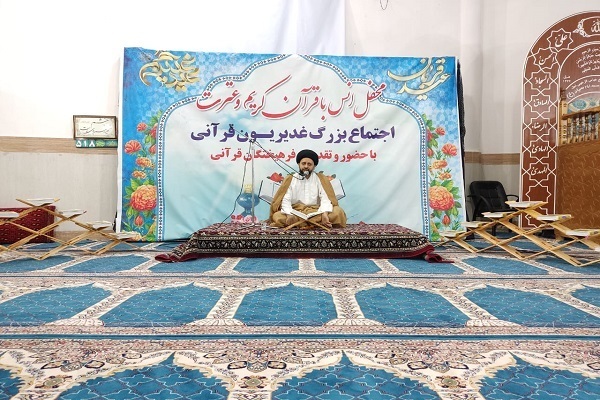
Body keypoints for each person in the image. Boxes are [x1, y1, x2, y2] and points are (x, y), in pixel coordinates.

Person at [269, 149, 347, 229]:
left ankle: (301, 224)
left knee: (338, 211)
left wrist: (325, 213)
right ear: (299, 164)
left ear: (314, 166)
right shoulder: (290, 179)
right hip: (296, 212)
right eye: (303, 163)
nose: (306, 166)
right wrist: (289, 214)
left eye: (309, 164)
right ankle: (315, 224)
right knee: (277, 216)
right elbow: (286, 199)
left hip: (316, 212)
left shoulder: (320, 178)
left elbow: (325, 198)